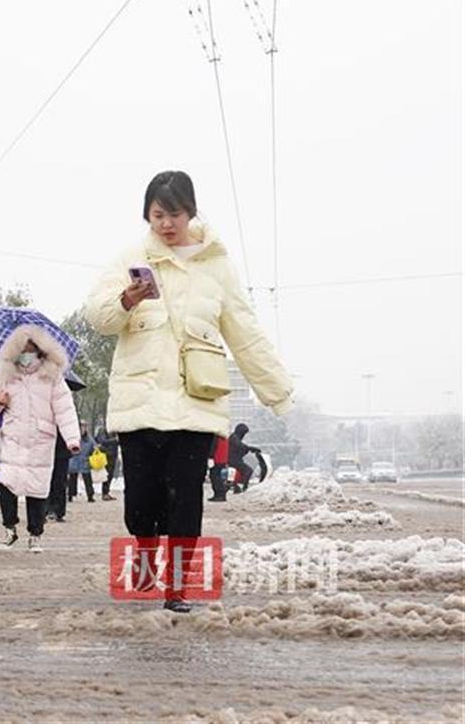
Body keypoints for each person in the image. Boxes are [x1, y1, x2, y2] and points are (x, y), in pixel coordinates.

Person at [83, 170, 293, 613]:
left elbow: (245, 333)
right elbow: (97, 318)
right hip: (139, 403)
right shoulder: (129, 256)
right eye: (158, 214)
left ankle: (176, 586)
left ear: (190, 212)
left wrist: (276, 391)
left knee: (185, 500)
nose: (166, 223)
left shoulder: (217, 265)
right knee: (140, 502)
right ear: (147, 215)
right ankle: (143, 551)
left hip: (194, 403)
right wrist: (126, 299)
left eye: (174, 213)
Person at [0, 327, 82, 552]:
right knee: (6, 486)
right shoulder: (5, 374)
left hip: (40, 439)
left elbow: (65, 409)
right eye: (23, 349)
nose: (26, 354)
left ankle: (35, 534)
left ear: (41, 351)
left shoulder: (53, 376)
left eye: (31, 350)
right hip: (11, 438)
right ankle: (9, 530)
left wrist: (72, 439)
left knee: (37, 490)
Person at [67, 421, 97, 503]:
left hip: (84, 460)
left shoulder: (89, 439)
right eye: (80, 427)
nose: (82, 429)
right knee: (72, 479)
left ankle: (90, 495)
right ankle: (71, 494)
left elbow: (94, 448)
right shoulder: (74, 438)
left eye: (83, 427)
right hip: (74, 459)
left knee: (87, 479)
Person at [46, 432, 71, 522]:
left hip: (61, 453)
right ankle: (46, 510)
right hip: (46, 452)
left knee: (60, 483)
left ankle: (59, 511)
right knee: (46, 483)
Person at [227, 423, 255, 493]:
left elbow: (241, 448)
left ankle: (236, 486)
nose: (244, 435)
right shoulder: (234, 438)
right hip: (233, 460)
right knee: (248, 470)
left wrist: (248, 450)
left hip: (234, 459)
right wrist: (249, 448)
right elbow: (240, 446)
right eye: (243, 433)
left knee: (244, 471)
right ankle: (244, 487)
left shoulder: (235, 437)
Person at [98, 427, 120, 500]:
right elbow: (103, 441)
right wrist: (115, 440)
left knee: (110, 475)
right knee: (106, 475)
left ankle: (106, 492)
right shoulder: (103, 430)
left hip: (113, 455)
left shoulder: (115, 431)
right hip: (105, 456)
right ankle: (104, 493)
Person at [208, 434, 230, 502]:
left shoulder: (216, 436)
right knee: (217, 476)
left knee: (214, 476)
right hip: (223, 458)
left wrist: (210, 456)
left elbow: (213, 447)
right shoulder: (224, 436)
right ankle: (220, 494)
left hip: (217, 458)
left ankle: (219, 494)